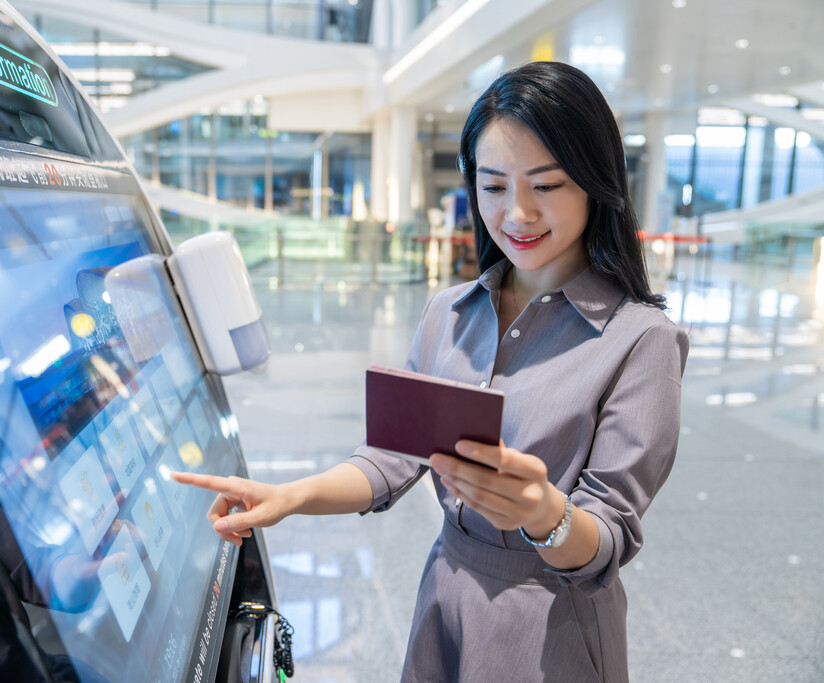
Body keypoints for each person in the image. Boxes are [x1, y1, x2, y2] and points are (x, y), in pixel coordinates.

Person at [173, 61, 688, 682]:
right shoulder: (449, 312)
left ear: (595, 182)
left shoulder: (641, 341)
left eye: (546, 186)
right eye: (494, 186)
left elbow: (606, 540)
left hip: (551, 631)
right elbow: (393, 458)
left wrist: (543, 512)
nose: (518, 213)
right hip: (445, 596)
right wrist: (293, 496)